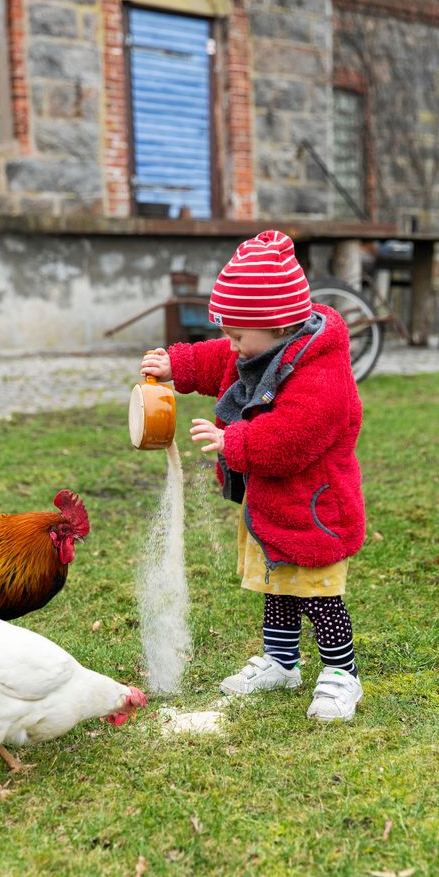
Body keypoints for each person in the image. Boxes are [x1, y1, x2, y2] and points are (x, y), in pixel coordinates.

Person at [141, 229, 366, 722]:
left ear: (281, 324)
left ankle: (340, 673)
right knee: (276, 584)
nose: (231, 345)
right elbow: (219, 357)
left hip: (314, 506)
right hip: (272, 503)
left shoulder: (321, 373)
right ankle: (282, 662)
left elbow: (295, 435)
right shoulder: (258, 345)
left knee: (317, 592)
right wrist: (176, 363)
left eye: (239, 334)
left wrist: (235, 442)